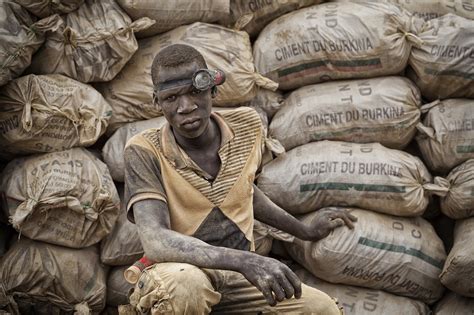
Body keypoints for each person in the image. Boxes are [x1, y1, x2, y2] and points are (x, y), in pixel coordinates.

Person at [122, 43, 357, 314]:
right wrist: (245, 260)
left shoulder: (248, 125)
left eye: (194, 92)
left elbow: (244, 190)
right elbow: (155, 239)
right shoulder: (143, 149)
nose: (185, 107)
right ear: (157, 102)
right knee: (185, 286)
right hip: (180, 273)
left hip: (239, 279)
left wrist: (304, 230)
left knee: (321, 308)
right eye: (171, 98)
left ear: (213, 89)